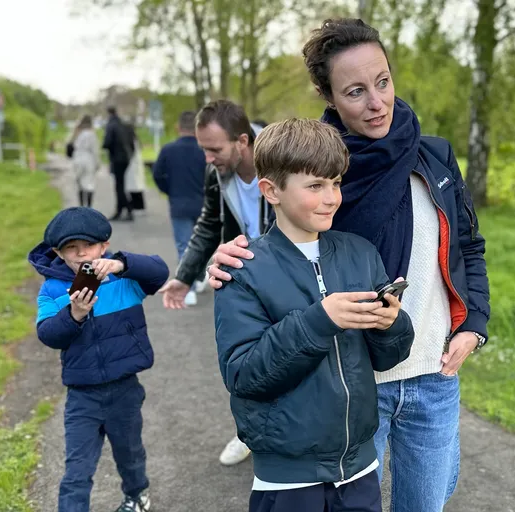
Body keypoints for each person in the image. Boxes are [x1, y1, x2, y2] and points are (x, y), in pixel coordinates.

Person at [207, 18, 491, 512]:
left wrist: (476, 324)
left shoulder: (435, 157)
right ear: (328, 94)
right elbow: (274, 242)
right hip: (355, 383)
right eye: (356, 91)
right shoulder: (320, 165)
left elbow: (468, 246)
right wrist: (228, 256)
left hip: (433, 373)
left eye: (383, 81)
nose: (377, 102)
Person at [214, 117, 415, 512]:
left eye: (336, 182)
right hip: (287, 478)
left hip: (360, 468)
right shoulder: (243, 269)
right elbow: (243, 375)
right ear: (271, 190)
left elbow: (388, 356)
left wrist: (391, 325)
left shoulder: (360, 252)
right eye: (315, 186)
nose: (331, 198)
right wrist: (318, 321)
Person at [27, 207, 169, 512]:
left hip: (125, 389)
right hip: (82, 395)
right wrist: (74, 314)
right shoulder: (52, 289)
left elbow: (160, 272)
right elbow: (48, 335)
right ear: (58, 252)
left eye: (88, 246)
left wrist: (121, 264)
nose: (80, 255)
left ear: (103, 245)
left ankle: (137, 494)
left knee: (129, 454)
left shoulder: (124, 278)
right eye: (71, 249)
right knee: (77, 470)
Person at [157, 100, 273, 464]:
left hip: (286, 278)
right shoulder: (216, 174)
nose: (208, 158)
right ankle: (249, 433)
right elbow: (209, 224)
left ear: (243, 141)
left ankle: (282, 447)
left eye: (214, 150)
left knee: (288, 361)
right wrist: (183, 277)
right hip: (243, 279)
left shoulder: (281, 158)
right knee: (241, 364)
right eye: (204, 149)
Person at [152, 110, 208, 305]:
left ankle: (190, 287)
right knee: (203, 244)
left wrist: (169, 191)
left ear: (178, 127)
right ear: (197, 128)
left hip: (179, 204)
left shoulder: (168, 150)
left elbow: (157, 175)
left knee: (185, 246)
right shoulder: (205, 150)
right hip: (204, 204)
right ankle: (199, 278)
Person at [103, 106, 135, 221]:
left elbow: (107, 142)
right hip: (126, 158)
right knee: (121, 184)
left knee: (119, 186)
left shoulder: (111, 125)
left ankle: (128, 208)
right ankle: (120, 210)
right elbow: (132, 142)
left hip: (117, 158)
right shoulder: (123, 124)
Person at [69, 115, 101, 207]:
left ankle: (81, 206)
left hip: (77, 158)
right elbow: (95, 150)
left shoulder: (77, 133)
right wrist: (97, 163)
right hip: (88, 159)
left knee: (80, 184)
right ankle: (89, 207)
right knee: (89, 184)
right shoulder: (91, 134)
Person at [124, 118, 147, 214]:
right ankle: (139, 206)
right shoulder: (135, 138)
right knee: (137, 186)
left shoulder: (130, 139)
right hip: (136, 165)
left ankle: (137, 206)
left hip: (132, 165)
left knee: (133, 186)